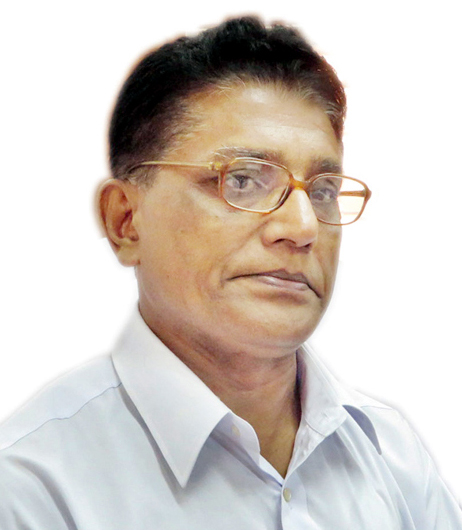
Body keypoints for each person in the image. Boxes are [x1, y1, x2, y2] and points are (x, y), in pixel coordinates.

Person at [0, 15, 460, 529]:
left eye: (324, 191)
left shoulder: (393, 458)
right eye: (241, 181)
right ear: (126, 221)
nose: (302, 226)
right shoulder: (33, 490)